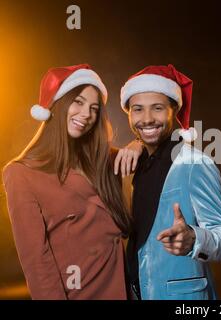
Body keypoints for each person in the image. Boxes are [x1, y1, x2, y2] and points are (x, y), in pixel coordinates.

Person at [2, 64, 131, 299]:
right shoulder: (20, 174)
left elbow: (150, 153)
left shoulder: (103, 160)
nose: (86, 114)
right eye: (79, 102)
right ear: (59, 104)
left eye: (94, 108)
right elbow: (36, 261)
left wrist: (138, 145)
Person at [118, 64, 221, 300]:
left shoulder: (195, 163)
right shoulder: (134, 163)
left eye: (158, 108)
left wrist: (195, 238)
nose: (147, 119)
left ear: (174, 110)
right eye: (138, 109)